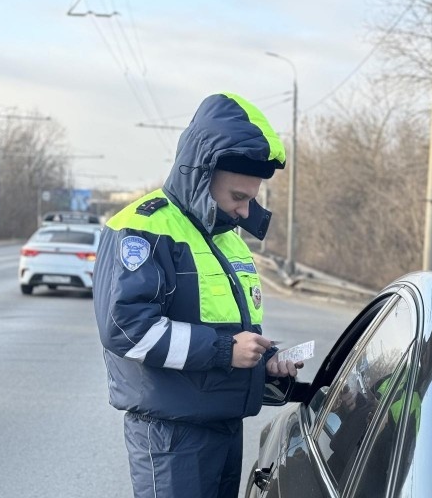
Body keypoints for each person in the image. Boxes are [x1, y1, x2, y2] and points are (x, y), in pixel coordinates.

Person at [93, 92, 303, 498]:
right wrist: (226, 350)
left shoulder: (228, 240)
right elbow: (126, 329)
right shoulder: (143, 227)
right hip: (172, 434)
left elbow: (228, 328)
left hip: (223, 425)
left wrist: (265, 357)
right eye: (238, 197)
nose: (244, 211)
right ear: (201, 176)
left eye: (251, 199)